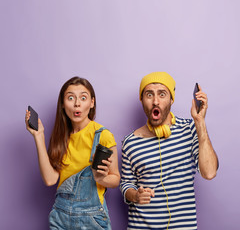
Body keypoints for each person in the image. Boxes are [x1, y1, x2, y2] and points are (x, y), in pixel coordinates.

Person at [120, 72, 218, 230]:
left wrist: (200, 123)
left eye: (162, 94)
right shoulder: (130, 142)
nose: (155, 101)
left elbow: (209, 172)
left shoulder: (190, 129)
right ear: (142, 100)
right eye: (149, 94)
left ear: (171, 99)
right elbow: (126, 184)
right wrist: (135, 195)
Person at [25, 76, 120, 230]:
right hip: (60, 218)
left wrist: (101, 178)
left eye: (83, 98)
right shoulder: (60, 137)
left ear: (92, 103)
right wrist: (39, 136)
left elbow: (116, 179)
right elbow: (50, 179)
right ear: (63, 104)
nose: (77, 103)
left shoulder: (102, 135)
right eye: (70, 98)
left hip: (92, 219)